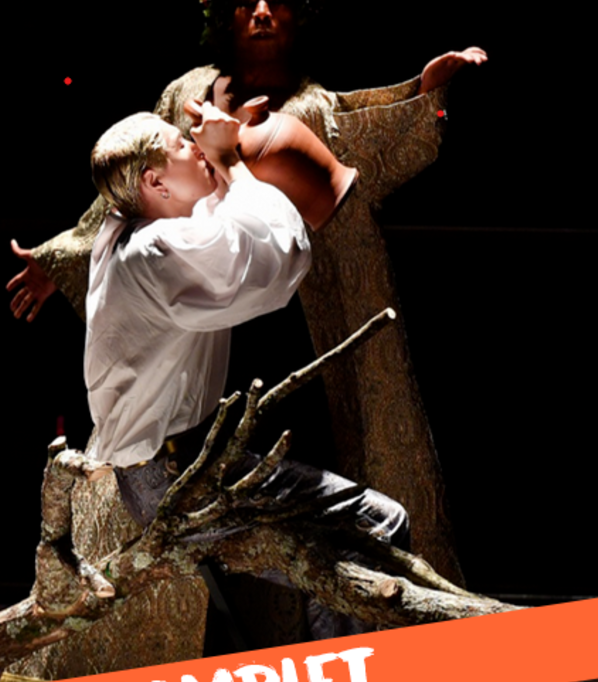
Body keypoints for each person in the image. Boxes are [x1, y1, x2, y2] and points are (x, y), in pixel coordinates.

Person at [8, 0, 486, 587]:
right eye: (246, 3)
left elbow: (368, 153)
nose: (261, 14)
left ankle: (351, 634)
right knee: (269, 528)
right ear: (223, 14)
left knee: (343, 481)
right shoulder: (187, 101)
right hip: (222, 307)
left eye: (277, 2)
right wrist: (61, 259)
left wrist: (427, 98)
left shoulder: (311, 107)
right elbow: (129, 193)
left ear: (299, 13)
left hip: (316, 304)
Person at [85, 101, 409, 552]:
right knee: (382, 524)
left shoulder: (128, 226)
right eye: (183, 145)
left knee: (339, 543)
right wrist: (229, 160)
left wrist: (222, 151)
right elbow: (278, 257)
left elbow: (210, 222)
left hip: (169, 470)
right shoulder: (152, 253)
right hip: (174, 482)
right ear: (155, 182)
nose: (195, 148)